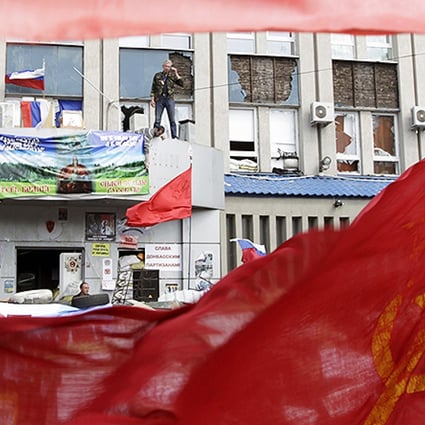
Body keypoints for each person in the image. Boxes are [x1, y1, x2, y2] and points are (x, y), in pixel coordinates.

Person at [150, 59, 184, 139]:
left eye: (168, 67)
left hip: (169, 99)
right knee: (157, 119)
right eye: (165, 66)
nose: (167, 68)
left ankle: (174, 136)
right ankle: (155, 134)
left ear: (170, 67)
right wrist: (152, 99)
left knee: (172, 119)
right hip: (159, 99)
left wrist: (176, 72)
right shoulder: (157, 75)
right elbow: (153, 88)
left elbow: (181, 83)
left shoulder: (172, 76)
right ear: (163, 66)